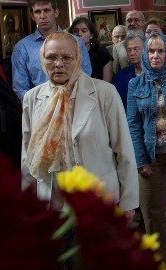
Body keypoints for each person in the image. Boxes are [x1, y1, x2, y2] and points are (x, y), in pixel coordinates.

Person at [21, 32, 138, 216]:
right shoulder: (33, 98)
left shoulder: (104, 93)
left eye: (66, 57)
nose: (58, 64)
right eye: (51, 57)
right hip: (54, 204)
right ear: (42, 60)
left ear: (78, 59)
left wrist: (129, 203)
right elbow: (28, 155)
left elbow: (124, 149)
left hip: (99, 200)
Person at [127, 33, 166, 270]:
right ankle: (161, 267)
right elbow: (132, 123)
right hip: (150, 157)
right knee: (152, 214)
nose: (155, 56)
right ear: (145, 53)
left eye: (160, 51)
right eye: (151, 51)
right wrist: (140, 160)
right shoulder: (136, 84)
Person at [12, 0, 91, 100]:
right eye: (37, 12)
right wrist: (36, 107)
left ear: (56, 12)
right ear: (32, 16)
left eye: (47, 10)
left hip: (74, 101)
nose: (42, 16)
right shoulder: (22, 47)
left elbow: (86, 75)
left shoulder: (76, 42)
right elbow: (20, 88)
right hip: (40, 105)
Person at [69, 16, 113, 83]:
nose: (79, 34)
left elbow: (107, 83)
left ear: (91, 35)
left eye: (84, 31)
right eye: (76, 31)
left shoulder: (101, 53)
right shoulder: (68, 54)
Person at [113, 32, 144, 103]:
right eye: (129, 50)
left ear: (145, 49)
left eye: (136, 49)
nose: (132, 53)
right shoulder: (121, 76)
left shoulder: (155, 72)